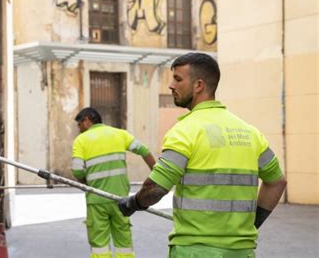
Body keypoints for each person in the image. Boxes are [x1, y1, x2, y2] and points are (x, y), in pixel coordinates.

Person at [118, 52, 287, 257]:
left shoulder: (185, 132)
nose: (171, 85)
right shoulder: (250, 133)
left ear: (198, 85)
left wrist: (133, 203)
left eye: (178, 79)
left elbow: (155, 188)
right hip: (242, 251)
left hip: (196, 251)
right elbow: (277, 182)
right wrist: (253, 223)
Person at [72, 107, 156, 258]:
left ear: (86, 120)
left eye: (79, 125)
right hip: (120, 200)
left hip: (97, 200)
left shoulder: (81, 141)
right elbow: (144, 151)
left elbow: (77, 171)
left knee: (100, 244)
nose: (79, 130)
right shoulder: (119, 134)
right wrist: (156, 175)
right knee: (123, 242)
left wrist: (88, 184)